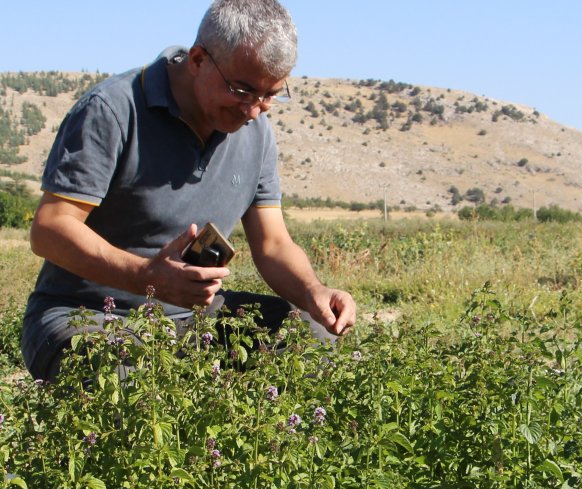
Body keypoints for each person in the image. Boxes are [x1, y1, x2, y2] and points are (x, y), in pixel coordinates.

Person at [21, 0, 355, 382]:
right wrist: (148, 278)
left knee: (309, 337)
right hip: (87, 316)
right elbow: (50, 229)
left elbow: (273, 245)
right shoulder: (113, 109)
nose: (253, 111)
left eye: (270, 95)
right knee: (127, 382)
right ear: (198, 59)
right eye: (242, 90)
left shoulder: (256, 131)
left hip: (195, 321)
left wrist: (313, 292)